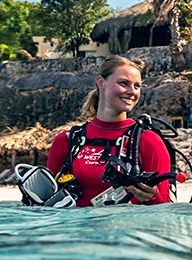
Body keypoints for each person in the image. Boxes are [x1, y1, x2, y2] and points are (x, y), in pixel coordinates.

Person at [44, 55, 173, 207]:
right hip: (75, 223)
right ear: (101, 83)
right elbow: (46, 204)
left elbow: (165, 208)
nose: (132, 91)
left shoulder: (149, 141)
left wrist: (152, 197)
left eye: (137, 86)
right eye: (123, 83)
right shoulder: (67, 141)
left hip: (127, 223)